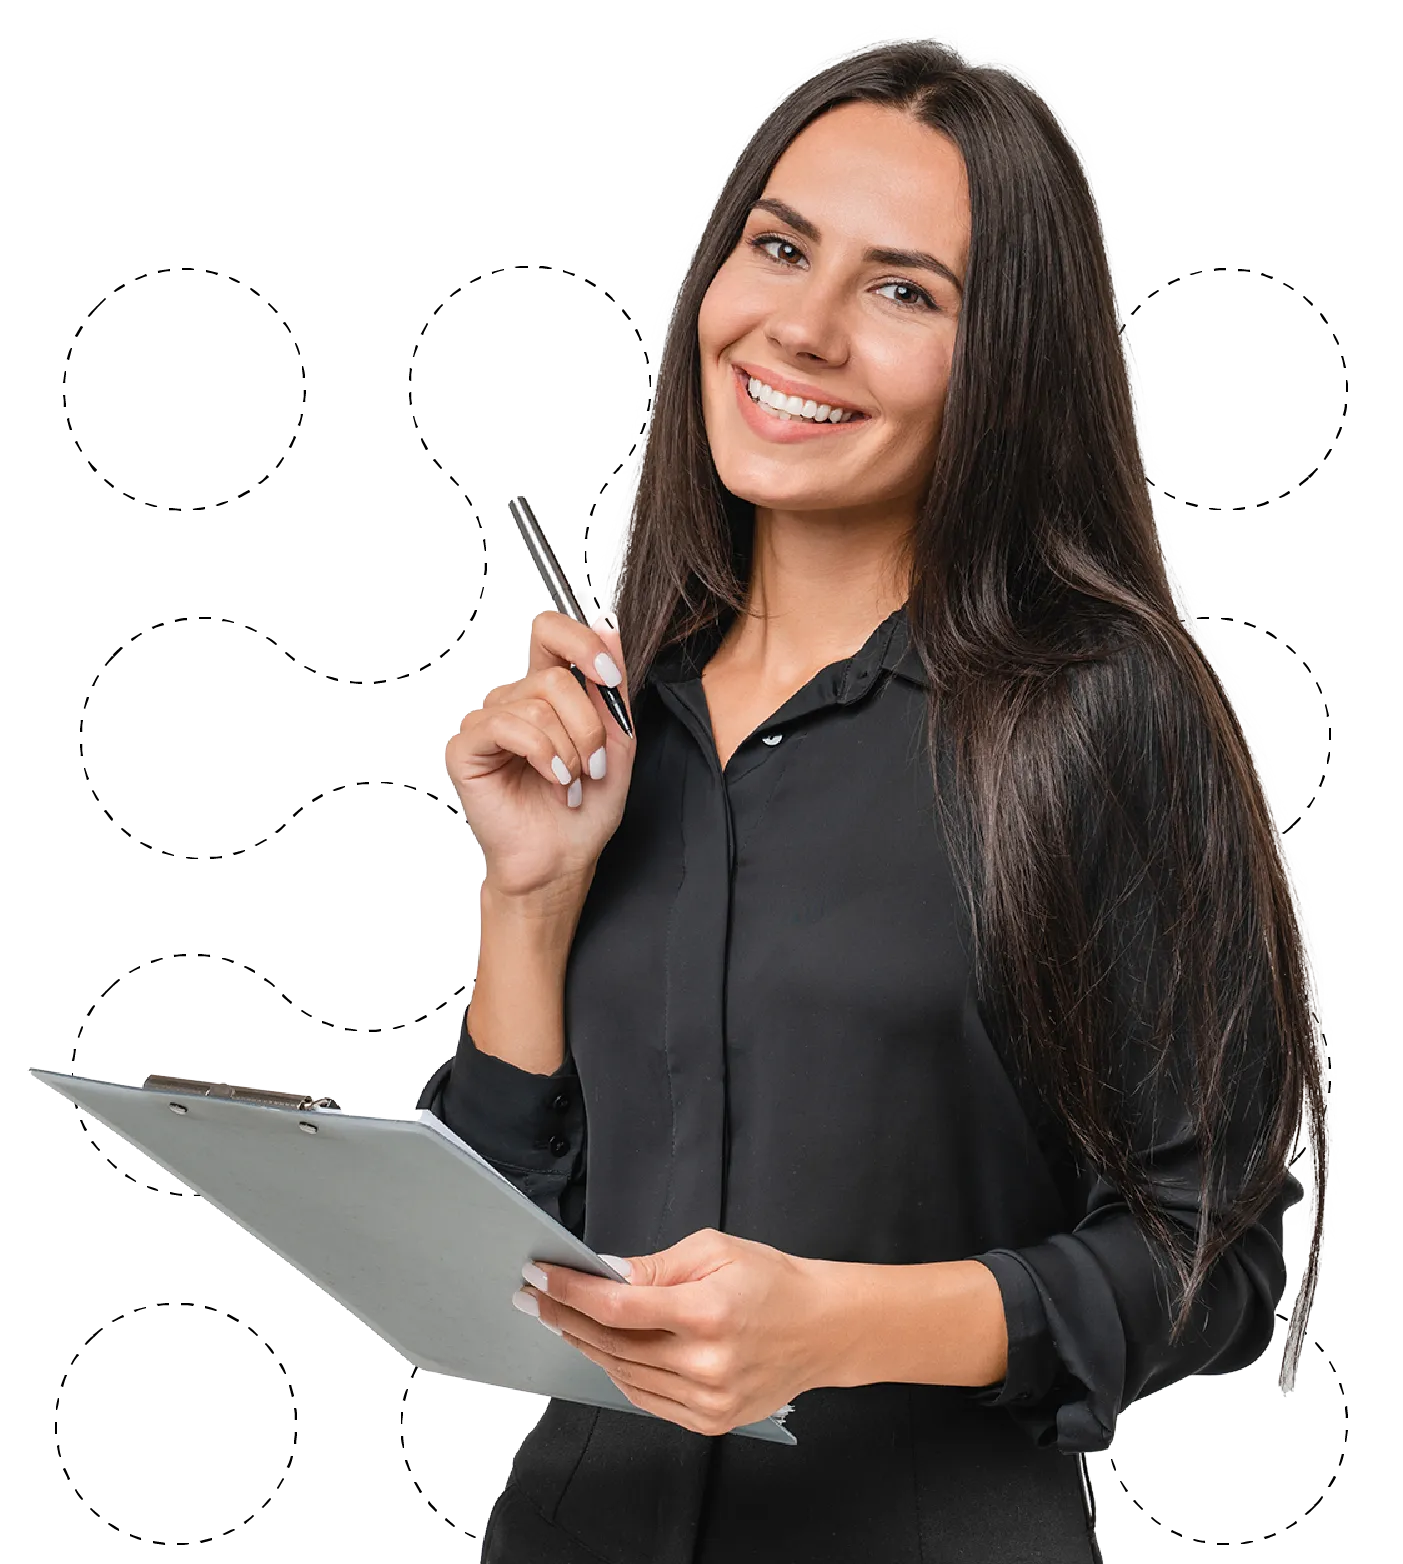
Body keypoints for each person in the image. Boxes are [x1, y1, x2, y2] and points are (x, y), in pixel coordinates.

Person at [418, 34, 1328, 1564]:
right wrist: (526, 894)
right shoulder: (627, 717)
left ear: (1004, 362)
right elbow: (509, 1246)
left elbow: (1212, 1262)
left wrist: (845, 1320)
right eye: (779, 249)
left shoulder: (1098, 712)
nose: (805, 329)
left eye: (904, 291)